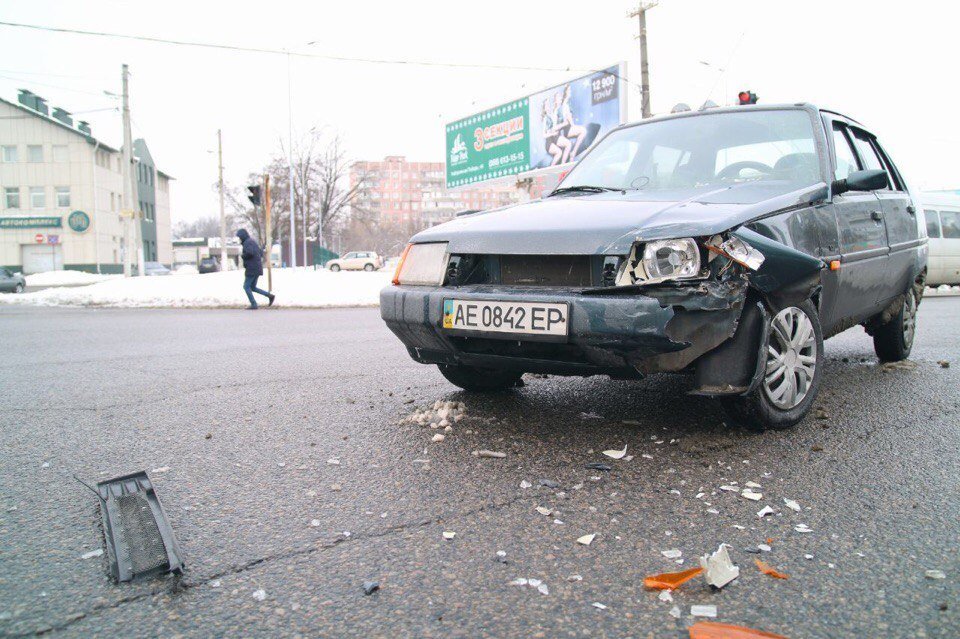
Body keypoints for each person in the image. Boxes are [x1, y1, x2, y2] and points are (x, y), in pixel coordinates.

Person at [236, 228, 274, 310]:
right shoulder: (252, 242)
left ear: (242, 236)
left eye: (239, 237)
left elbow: (250, 253)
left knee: (246, 287)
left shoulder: (247, 242)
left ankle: (254, 304)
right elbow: (260, 253)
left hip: (252, 268)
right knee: (253, 287)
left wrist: (243, 256)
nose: (239, 239)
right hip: (257, 267)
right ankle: (270, 296)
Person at [557, 85, 586, 163]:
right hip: (568, 129)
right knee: (583, 131)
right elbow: (568, 116)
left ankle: (572, 153)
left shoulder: (565, 104)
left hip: (566, 129)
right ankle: (573, 152)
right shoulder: (565, 104)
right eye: (569, 90)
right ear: (566, 92)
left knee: (582, 130)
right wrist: (573, 125)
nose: (570, 92)